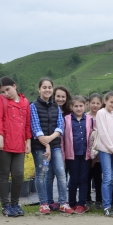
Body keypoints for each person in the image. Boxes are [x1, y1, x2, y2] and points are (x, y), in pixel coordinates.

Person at [0, 76, 32, 217]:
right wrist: (0, 138)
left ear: (15, 86)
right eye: (3, 91)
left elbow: (27, 124)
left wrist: (28, 142)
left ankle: (15, 203)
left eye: (7, 89)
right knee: (4, 174)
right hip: (3, 144)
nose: (6, 93)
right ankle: (5, 205)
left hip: (19, 144)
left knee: (18, 174)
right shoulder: (1, 100)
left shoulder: (25, 102)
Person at [30, 78, 71, 215]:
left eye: (49, 87)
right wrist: (46, 144)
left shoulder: (56, 107)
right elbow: (35, 128)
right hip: (39, 147)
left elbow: (60, 126)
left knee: (60, 172)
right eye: (44, 87)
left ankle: (63, 203)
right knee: (41, 174)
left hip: (55, 145)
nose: (47, 90)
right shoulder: (33, 106)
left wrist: (50, 139)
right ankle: (44, 204)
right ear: (39, 89)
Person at [95, 91, 113, 217]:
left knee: (111, 179)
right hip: (106, 150)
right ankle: (106, 206)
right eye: (111, 102)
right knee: (107, 178)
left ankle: (110, 204)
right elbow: (103, 134)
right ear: (105, 101)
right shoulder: (101, 113)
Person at [63, 96, 94, 214]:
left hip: (85, 154)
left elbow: (92, 136)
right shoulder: (66, 119)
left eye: (81, 106)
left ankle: (81, 204)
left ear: (85, 106)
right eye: (76, 106)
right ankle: (72, 203)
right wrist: (63, 154)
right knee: (74, 179)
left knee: (83, 179)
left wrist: (92, 154)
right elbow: (63, 138)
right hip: (72, 155)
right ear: (71, 107)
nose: (78, 108)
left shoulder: (90, 119)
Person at [86, 93, 104, 210]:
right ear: (88, 104)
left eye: (98, 103)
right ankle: (87, 199)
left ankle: (99, 200)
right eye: (93, 103)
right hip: (86, 153)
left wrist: (96, 155)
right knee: (86, 177)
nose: (95, 105)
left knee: (98, 178)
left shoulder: (102, 117)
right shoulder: (85, 117)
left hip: (99, 152)